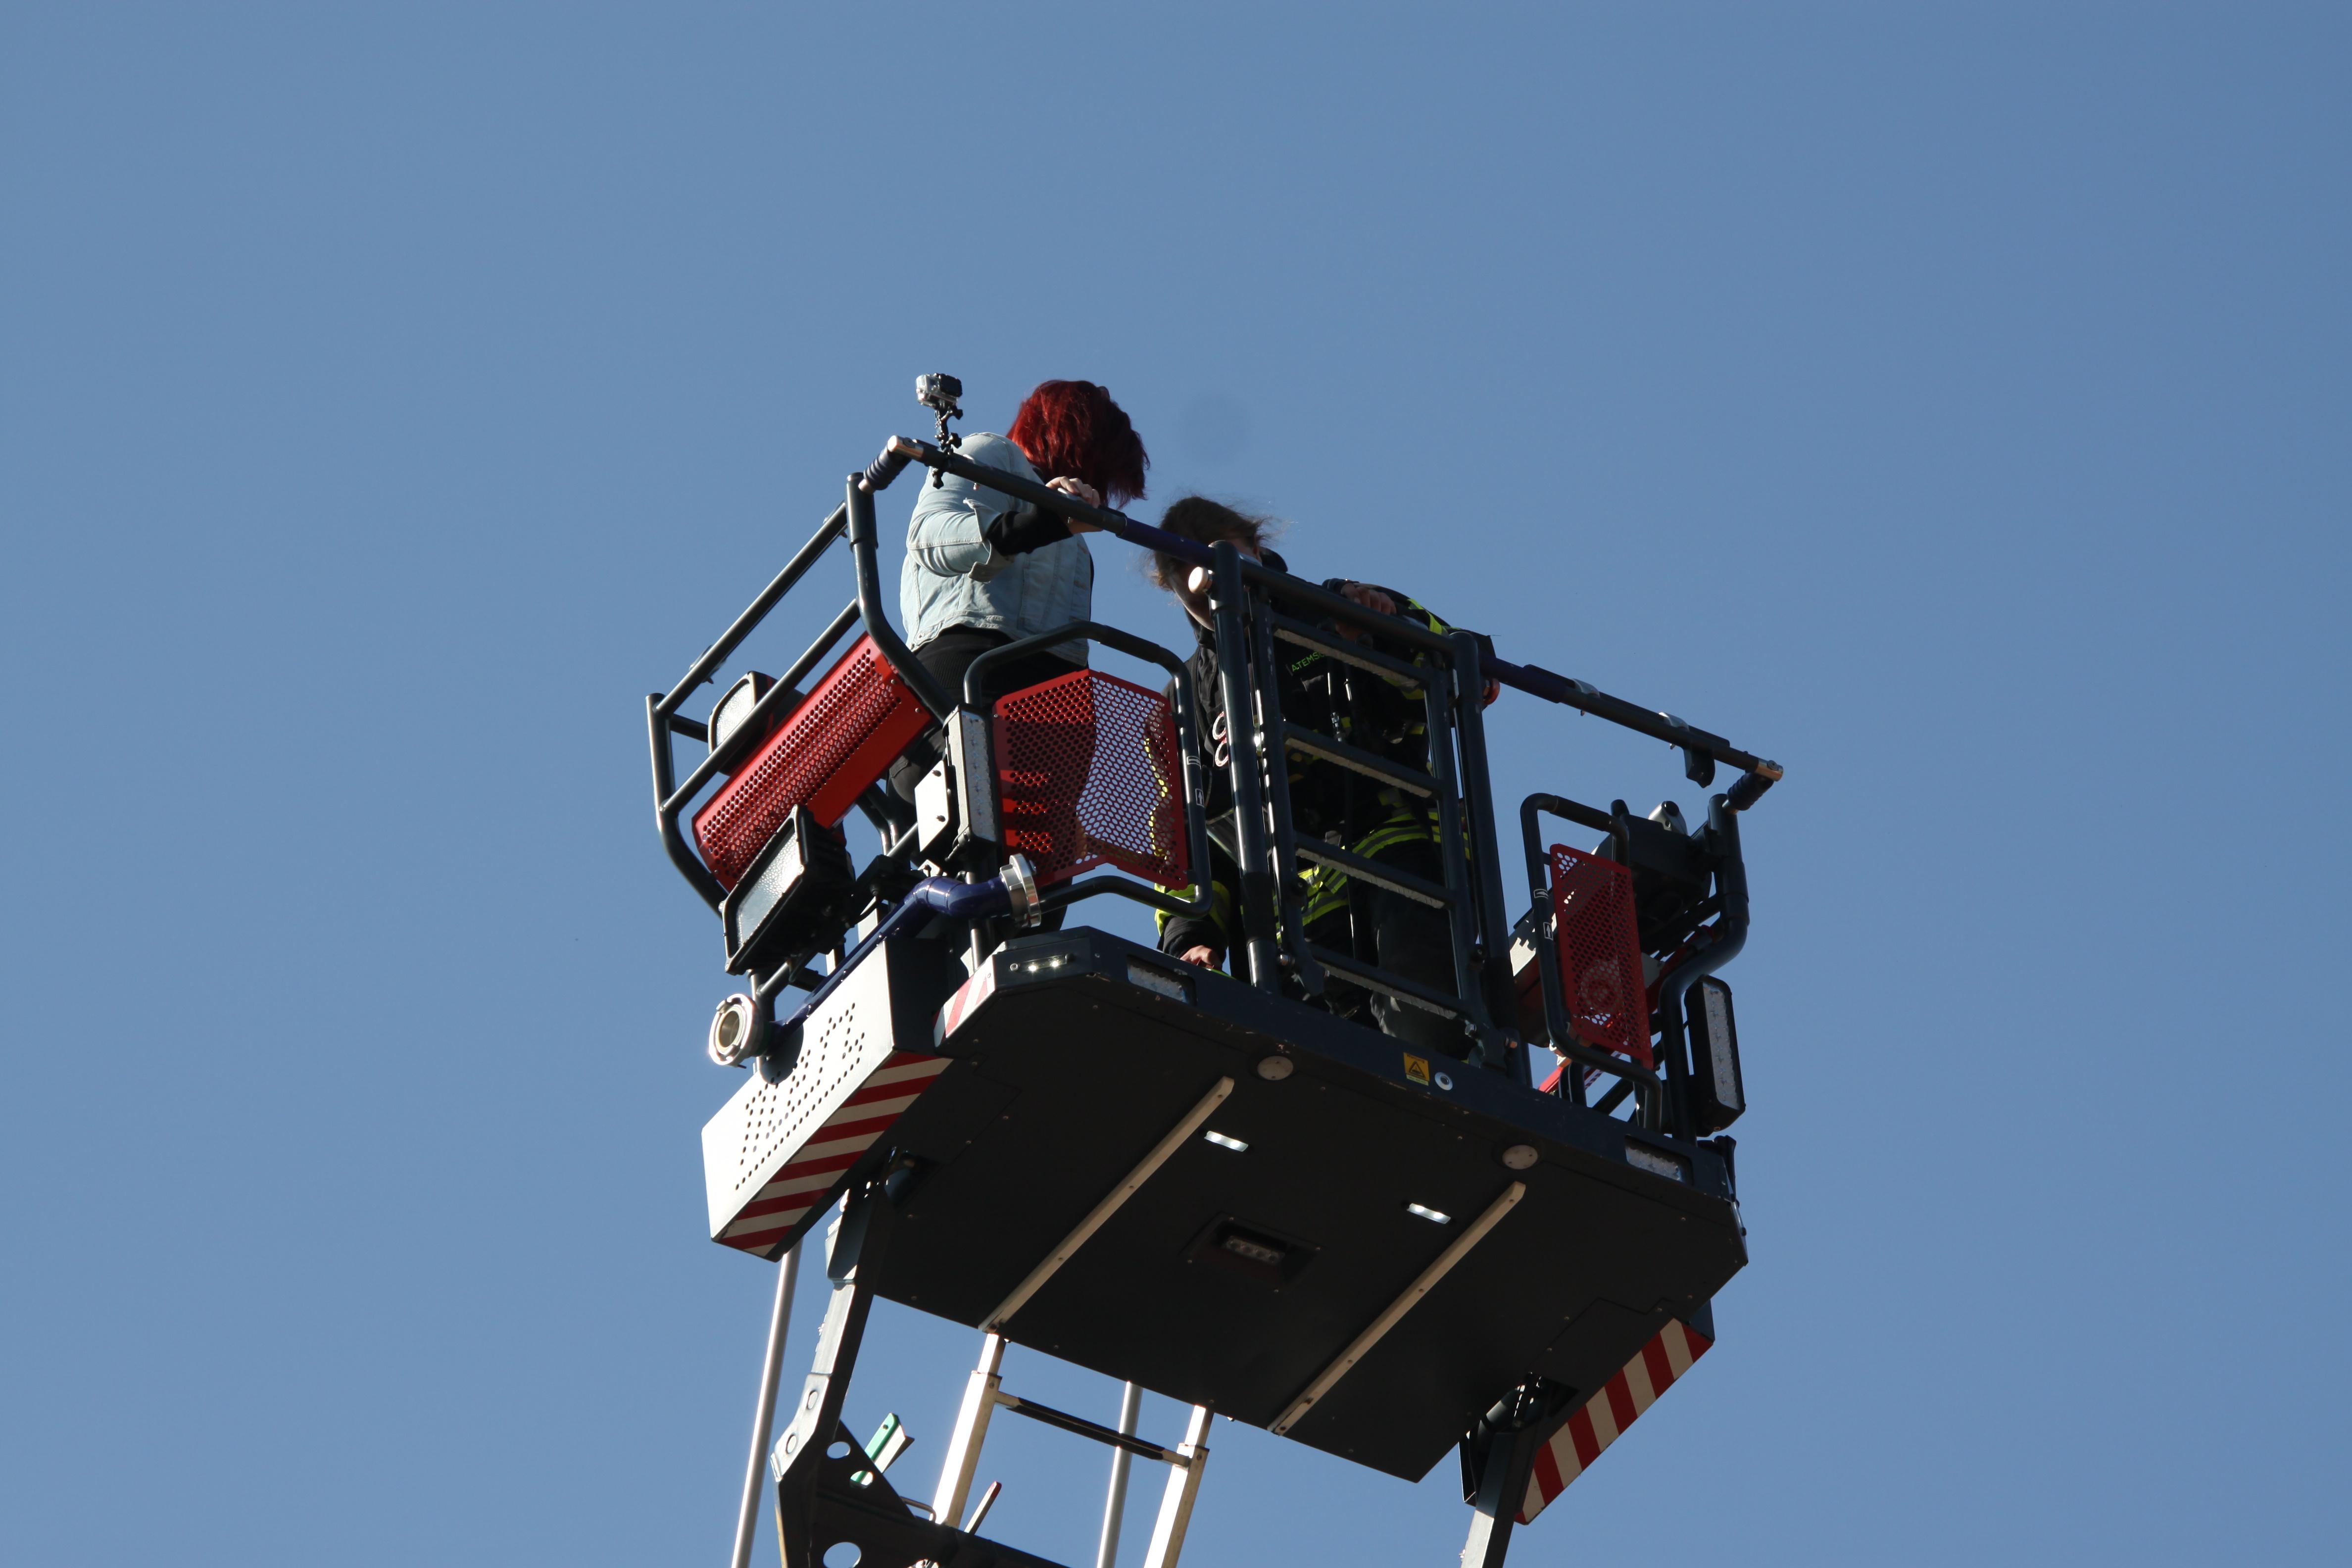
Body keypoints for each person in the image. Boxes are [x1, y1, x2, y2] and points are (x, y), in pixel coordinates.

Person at [1146, 497, 1486, 1056]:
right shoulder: (1185, 702)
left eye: (1231, 560)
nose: (1219, 587)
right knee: (1317, 1066)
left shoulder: (1332, 607)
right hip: (1287, 908)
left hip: (1399, 851)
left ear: (1259, 549)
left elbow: (1456, 670)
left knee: (1423, 1028)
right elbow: (1183, 843)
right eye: (1196, 581)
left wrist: (1383, 625)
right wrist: (1191, 940)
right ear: (1177, 591)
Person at [889, 380, 1148, 798]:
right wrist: (1042, 521)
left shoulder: (1077, 549)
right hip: (961, 700)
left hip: (1049, 727)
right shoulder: (993, 455)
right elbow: (929, 536)